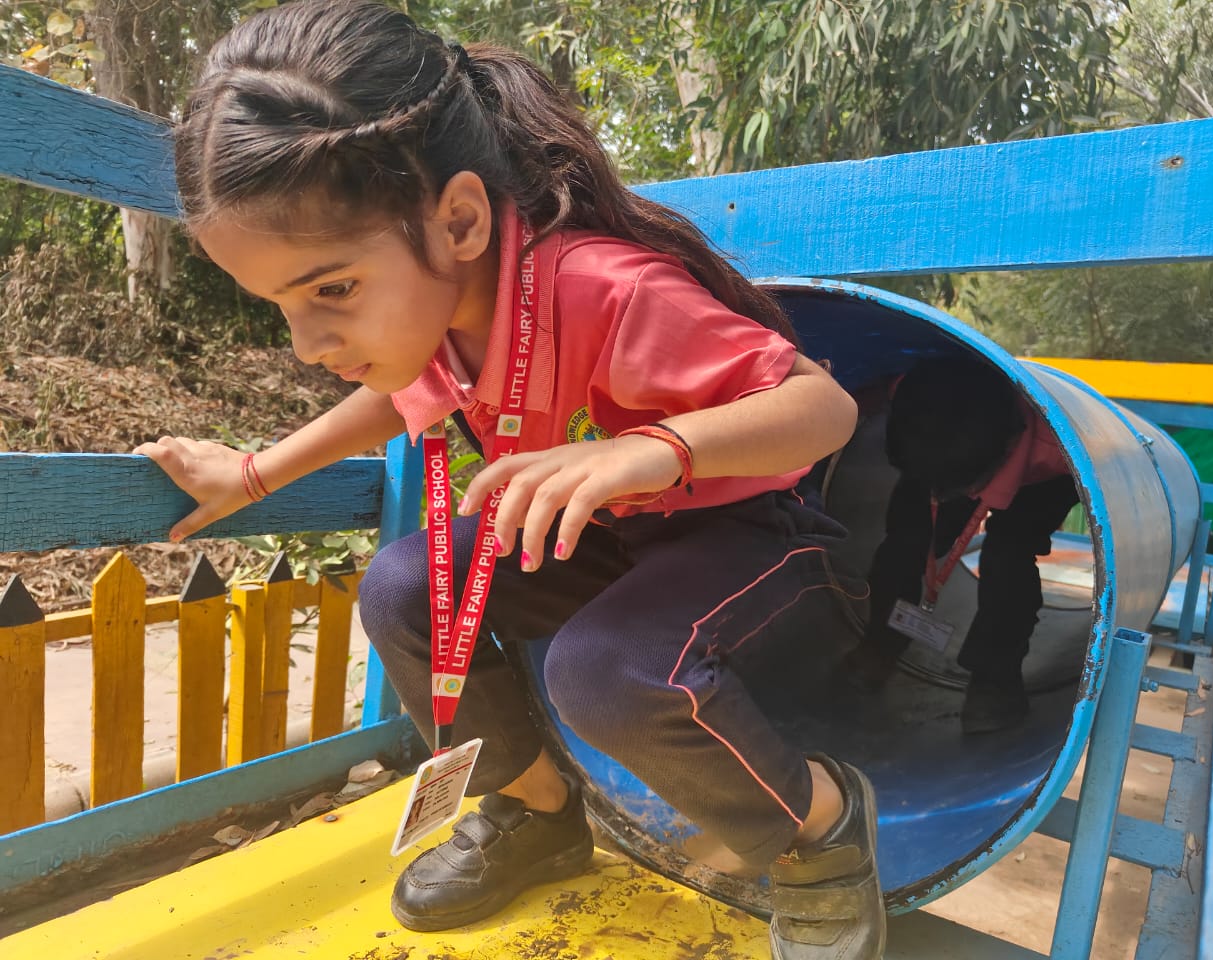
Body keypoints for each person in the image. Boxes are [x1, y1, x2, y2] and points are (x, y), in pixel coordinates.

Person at [134, 2, 884, 957]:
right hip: (607, 532)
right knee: (406, 587)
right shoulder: (446, 311)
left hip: (748, 534)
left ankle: (819, 828)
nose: (309, 343)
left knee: (603, 672)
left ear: (459, 219)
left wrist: (648, 450)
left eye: (332, 289)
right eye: (282, 304)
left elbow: (823, 408)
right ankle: (539, 812)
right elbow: (392, 393)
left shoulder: (605, 287)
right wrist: (253, 473)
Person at [857, 356, 1079, 734]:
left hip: (1042, 472)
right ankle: (879, 645)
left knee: (1009, 554)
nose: (942, 496)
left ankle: (994, 683)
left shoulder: (1061, 449)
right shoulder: (914, 395)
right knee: (907, 537)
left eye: (954, 489)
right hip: (948, 443)